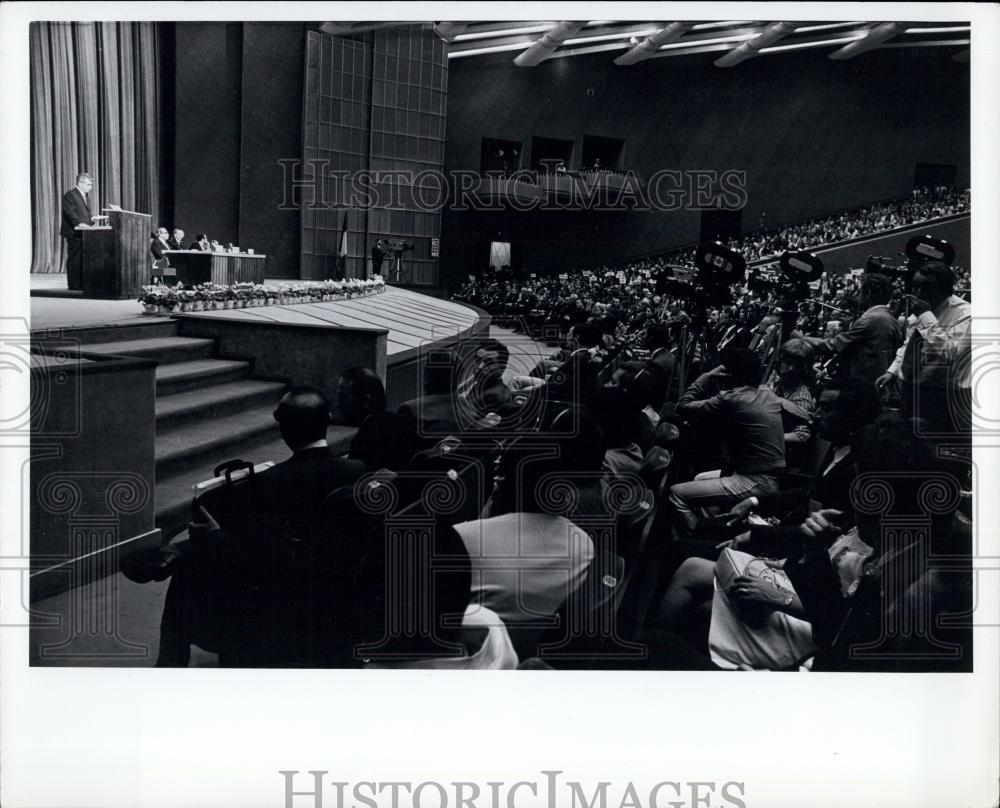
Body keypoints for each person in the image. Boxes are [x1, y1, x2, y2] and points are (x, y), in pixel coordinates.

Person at [156, 386, 366, 667]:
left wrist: (215, 537)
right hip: (341, 603)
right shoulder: (358, 471)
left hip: (282, 609)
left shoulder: (270, 483)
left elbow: (256, 559)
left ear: (283, 429)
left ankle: (168, 664)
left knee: (193, 562)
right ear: (328, 420)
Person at [668, 346, 794, 535]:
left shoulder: (730, 399)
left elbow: (682, 406)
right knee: (699, 478)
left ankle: (697, 536)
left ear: (729, 374)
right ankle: (716, 528)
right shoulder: (767, 392)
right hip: (766, 474)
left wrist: (708, 375)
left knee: (676, 493)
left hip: (754, 481)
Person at [876, 261, 972, 437]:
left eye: (926, 288)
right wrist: (892, 372)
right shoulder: (920, 310)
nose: (918, 293)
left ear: (943, 289)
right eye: (915, 287)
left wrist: (927, 317)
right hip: (911, 389)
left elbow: (952, 353)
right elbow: (909, 344)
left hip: (944, 397)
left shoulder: (966, 314)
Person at [800, 273, 902, 388]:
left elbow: (834, 345)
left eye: (861, 291)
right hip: (878, 384)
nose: (859, 296)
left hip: (865, 386)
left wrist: (802, 339)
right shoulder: (890, 319)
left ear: (868, 293)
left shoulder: (872, 319)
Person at [336, 366, 420, 472]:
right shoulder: (407, 423)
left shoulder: (363, 441)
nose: (338, 404)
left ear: (366, 401)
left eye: (343, 398)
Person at [60, 172, 99, 289]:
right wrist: (78, 223)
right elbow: (69, 212)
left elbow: (86, 215)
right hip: (74, 233)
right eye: (88, 184)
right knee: (74, 259)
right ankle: (74, 286)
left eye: (91, 185)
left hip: (85, 233)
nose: (90, 187)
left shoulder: (86, 197)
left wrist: (92, 219)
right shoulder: (70, 195)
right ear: (80, 183)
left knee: (83, 259)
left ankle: (82, 285)